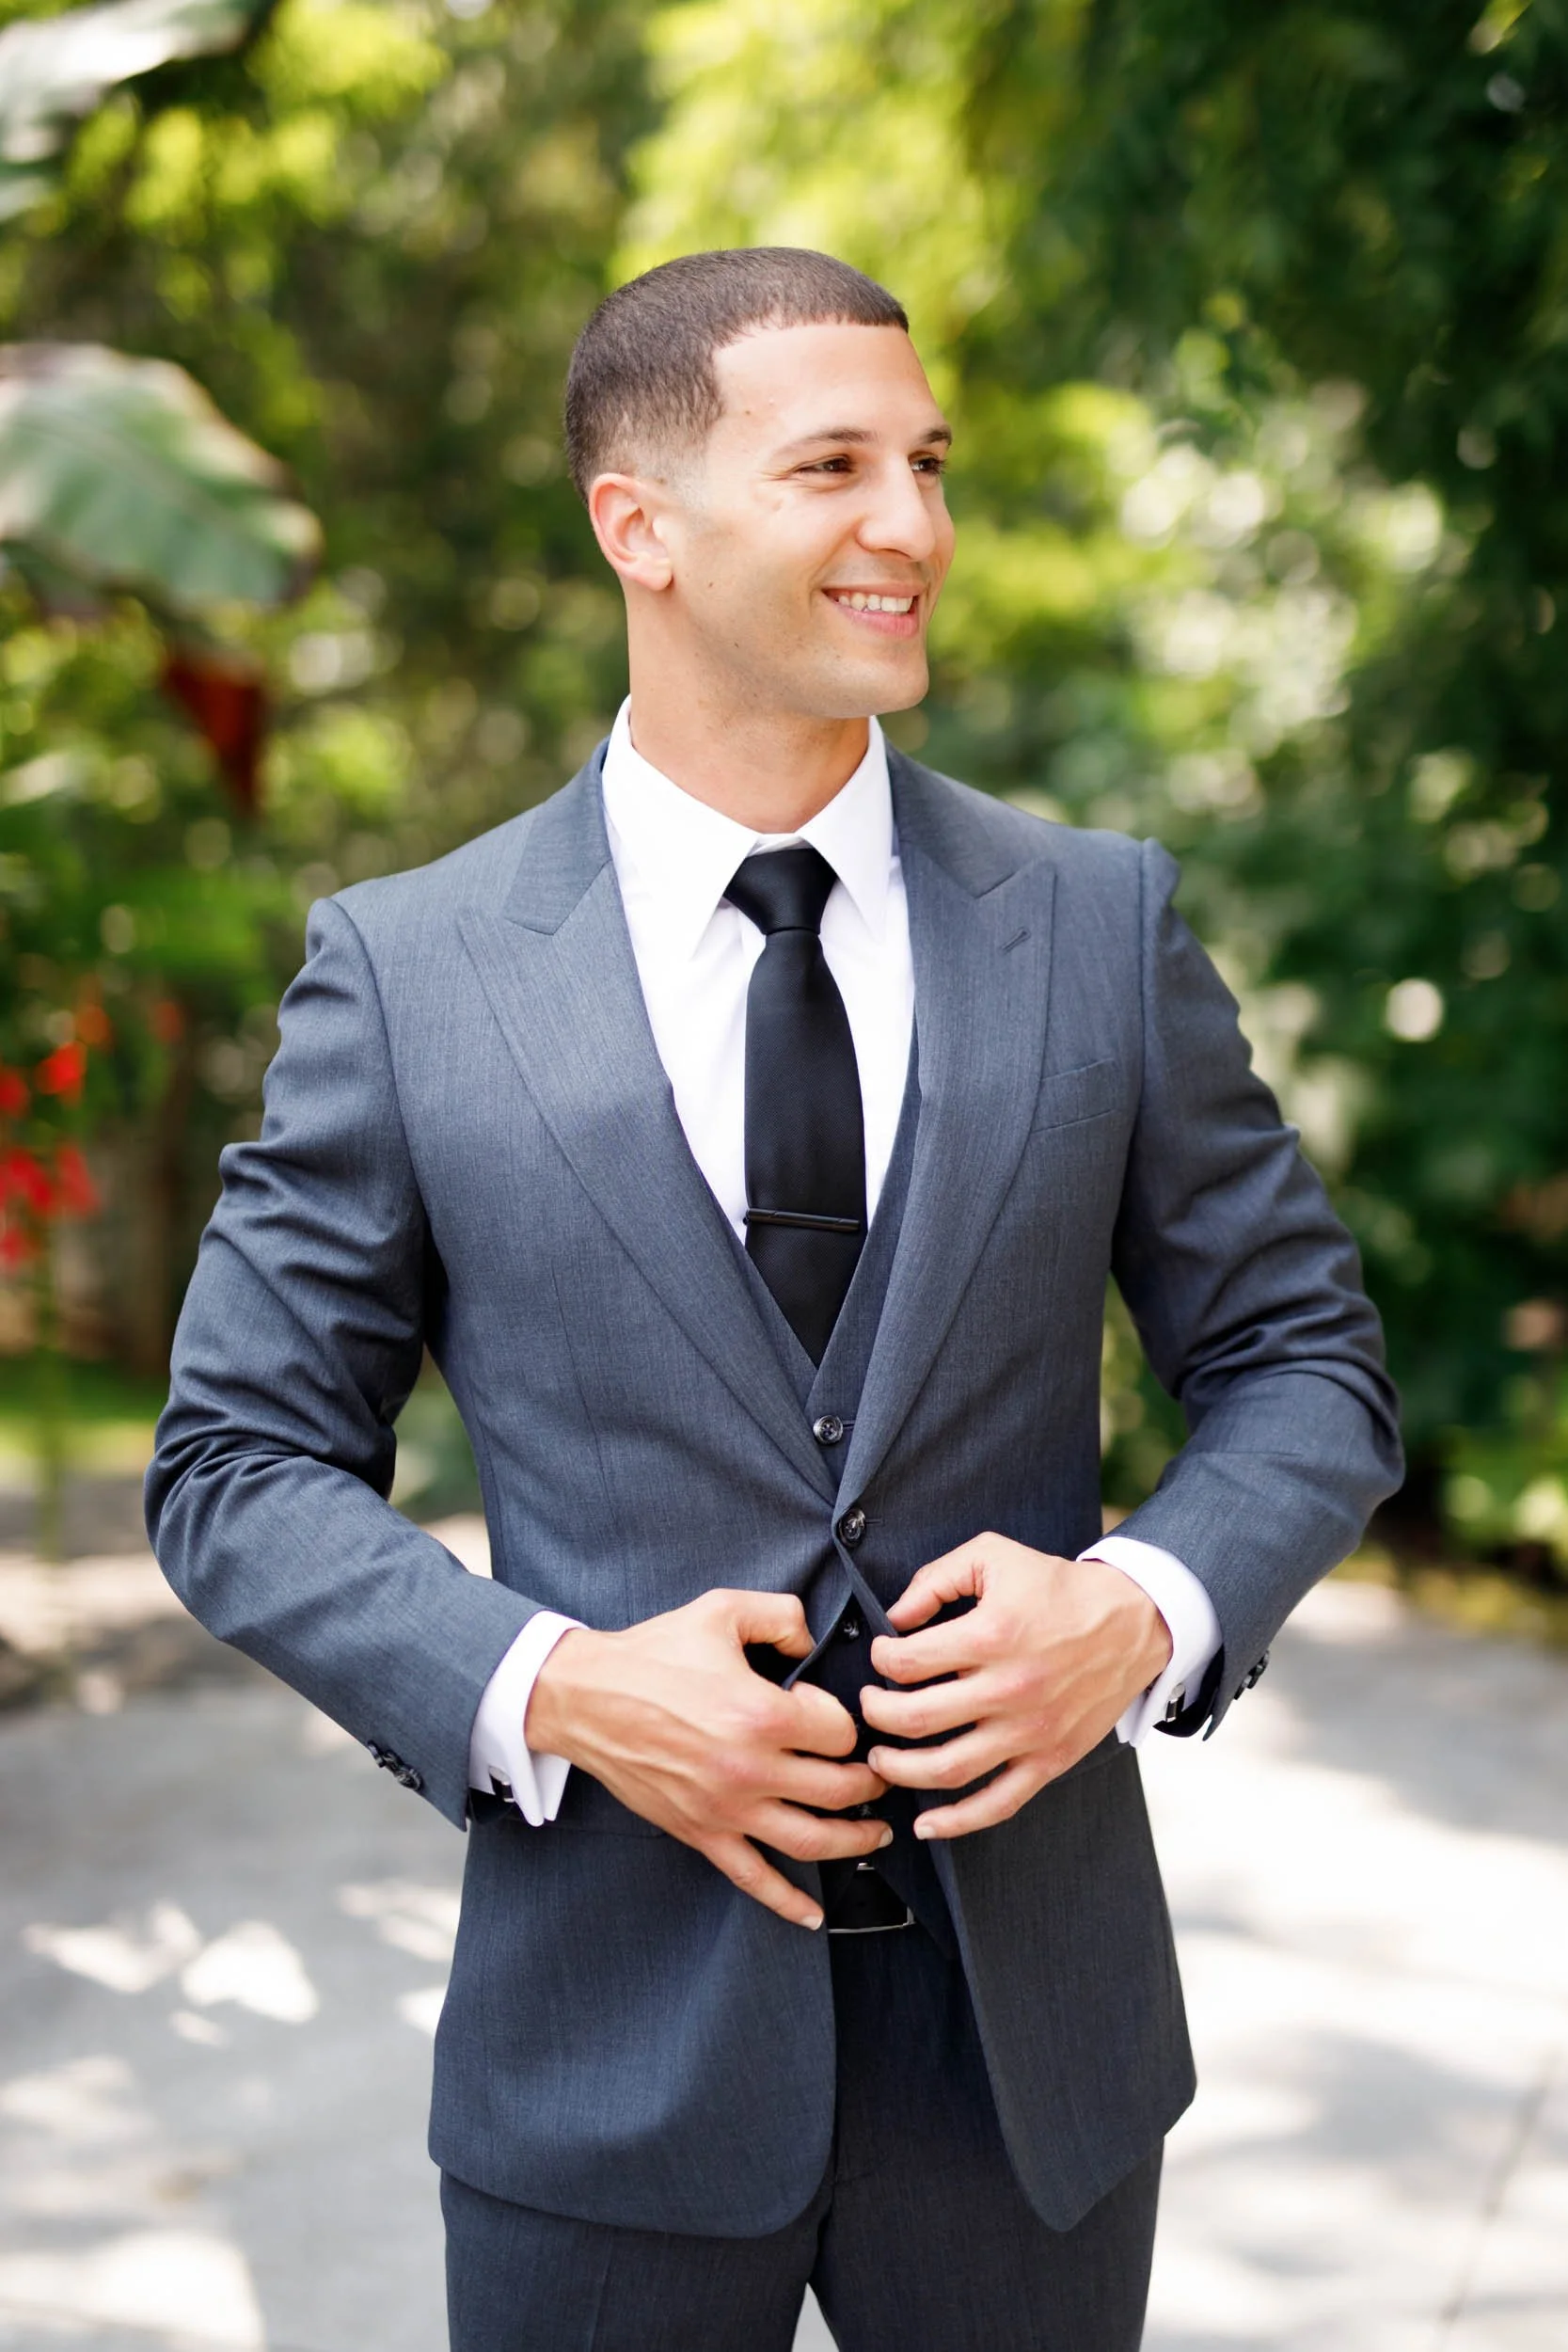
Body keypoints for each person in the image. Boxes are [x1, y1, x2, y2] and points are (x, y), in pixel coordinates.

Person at [147, 247, 1402, 2351]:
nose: (907, 525)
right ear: (636, 523)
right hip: (602, 2054)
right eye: (830, 465)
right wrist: (555, 1681)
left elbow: (1301, 1362)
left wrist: (1142, 1603)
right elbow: (235, 1462)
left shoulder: (1097, 925)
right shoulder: (407, 968)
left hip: (1034, 2074)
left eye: (924, 463)